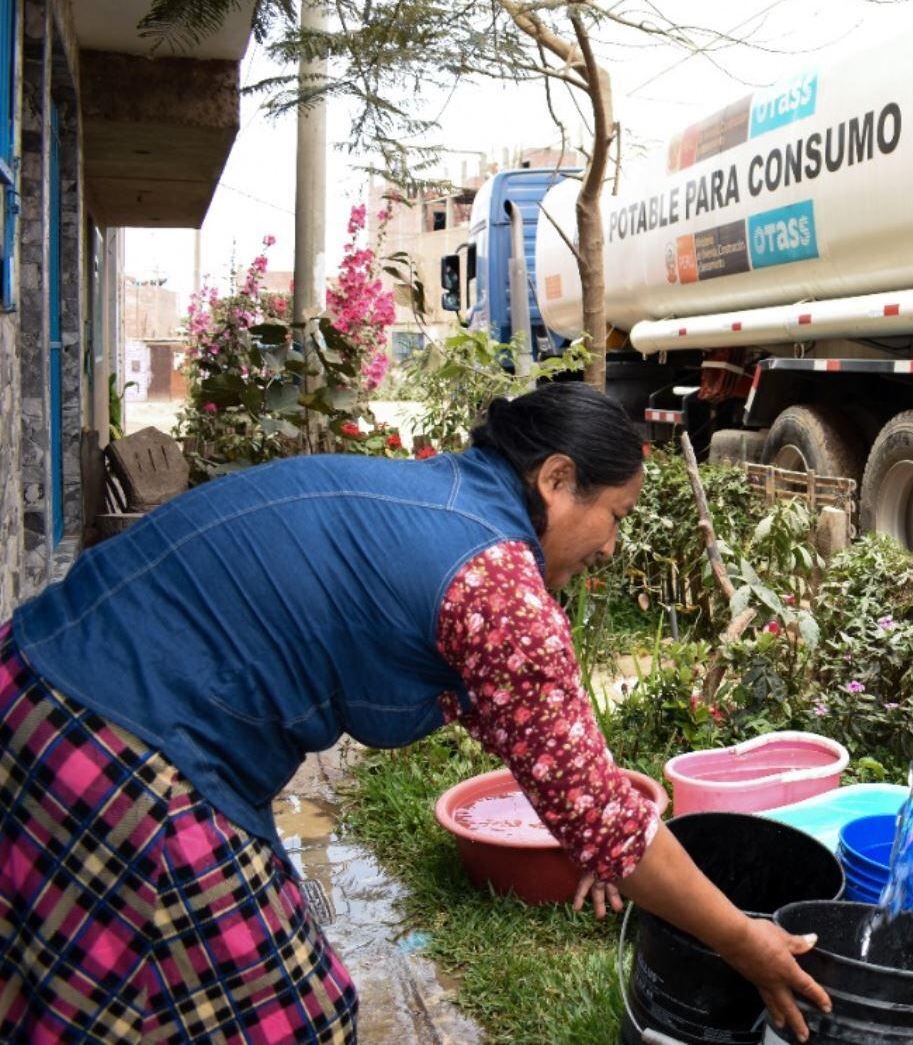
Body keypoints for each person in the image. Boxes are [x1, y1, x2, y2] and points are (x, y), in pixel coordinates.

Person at [0, 383, 829, 1040]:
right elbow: (600, 819)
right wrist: (740, 939)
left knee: (80, 988)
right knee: (292, 1019)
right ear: (555, 479)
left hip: (37, 678)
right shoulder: (498, 583)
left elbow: (563, 771)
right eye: (614, 515)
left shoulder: (449, 494)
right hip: (129, 749)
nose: (613, 544)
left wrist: (596, 806)